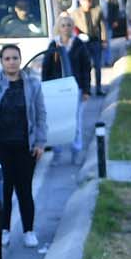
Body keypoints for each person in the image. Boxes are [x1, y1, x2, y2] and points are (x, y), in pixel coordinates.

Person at [0, 45, 48, 248]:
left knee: (24, 189)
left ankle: (29, 230)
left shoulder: (33, 85)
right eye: (7, 58)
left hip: (25, 147)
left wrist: (40, 142)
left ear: (20, 60)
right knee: (3, 190)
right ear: (1, 61)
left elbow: (40, 115)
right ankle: (3, 229)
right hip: (1, 148)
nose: (11, 62)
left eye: (15, 58)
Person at [40, 13, 94, 155]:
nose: (66, 28)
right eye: (63, 25)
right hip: (56, 89)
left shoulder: (78, 44)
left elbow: (86, 68)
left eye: (69, 25)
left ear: (73, 27)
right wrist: (45, 88)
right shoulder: (54, 45)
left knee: (76, 120)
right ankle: (57, 151)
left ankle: (76, 149)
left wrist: (87, 90)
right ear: (59, 27)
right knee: (57, 119)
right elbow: (47, 68)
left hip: (75, 88)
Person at [80, 0, 108, 77]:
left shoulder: (97, 11)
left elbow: (102, 26)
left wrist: (104, 40)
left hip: (95, 41)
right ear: (81, 1)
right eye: (85, 0)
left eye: (89, 0)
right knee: (86, 66)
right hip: (83, 44)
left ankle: (98, 88)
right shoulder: (75, 13)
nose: (87, 2)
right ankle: (87, 88)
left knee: (97, 66)